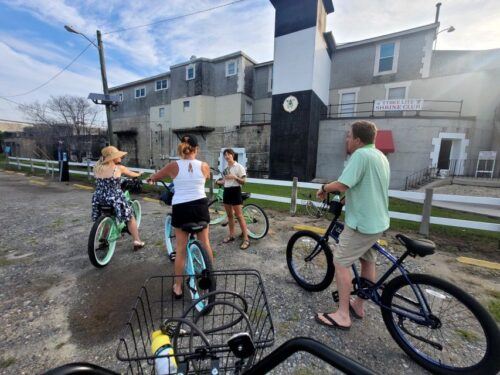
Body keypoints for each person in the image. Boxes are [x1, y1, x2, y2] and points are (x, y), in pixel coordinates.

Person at [315, 120, 390, 330]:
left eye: (349, 136)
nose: (347, 139)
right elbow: (367, 185)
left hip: (361, 223)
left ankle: (342, 315)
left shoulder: (360, 155)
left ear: (357, 140)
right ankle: (359, 305)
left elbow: (341, 184)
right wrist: (347, 198)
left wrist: (324, 188)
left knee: (340, 262)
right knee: (368, 262)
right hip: (378, 222)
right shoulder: (380, 156)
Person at [148, 134, 213, 298]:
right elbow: (206, 177)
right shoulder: (205, 166)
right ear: (196, 149)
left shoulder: (173, 166)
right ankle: (210, 275)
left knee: (181, 249)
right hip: (200, 207)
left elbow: (156, 177)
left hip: (181, 209)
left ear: (181, 149)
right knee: (205, 242)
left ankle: (177, 286)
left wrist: (151, 178)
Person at [91, 146, 145, 251]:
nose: (120, 157)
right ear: (112, 157)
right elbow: (133, 174)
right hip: (114, 198)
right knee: (130, 217)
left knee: (107, 215)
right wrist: (139, 174)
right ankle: (137, 241)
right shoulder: (119, 168)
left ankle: (103, 238)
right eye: (118, 155)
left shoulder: (96, 168)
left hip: (99, 197)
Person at [217, 148, 250, 250]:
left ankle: (246, 239)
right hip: (227, 192)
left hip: (236, 191)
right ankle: (231, 235)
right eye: (225, 155)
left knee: (239, 216)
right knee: (230, 215)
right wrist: (218, 182)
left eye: (228, 154)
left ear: (233, 155)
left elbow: (244, 182)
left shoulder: (239, 167)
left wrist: (235, 177)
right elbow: (225, 181)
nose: (227, 156)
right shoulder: (225, 169)